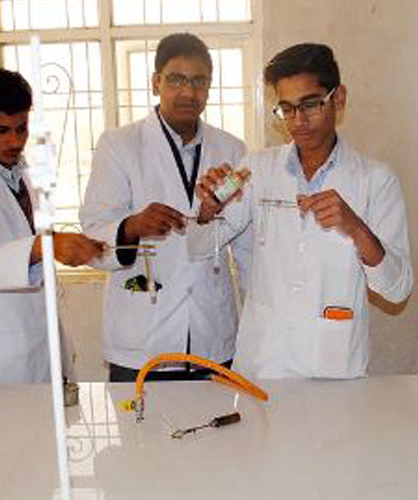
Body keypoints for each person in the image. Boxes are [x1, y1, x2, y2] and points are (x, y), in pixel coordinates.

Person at [196, 43, 413, 379]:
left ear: (338, 99)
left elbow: (397, 290)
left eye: (310, 105)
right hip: (263, 365)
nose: (298, 121)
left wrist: (356, 229)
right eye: (287, 108)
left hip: (334, 367)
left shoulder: (376, 179)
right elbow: (198, 247)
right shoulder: (258, 169)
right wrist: (208, 209)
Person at [80, 33, 249, 382]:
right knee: (139, 419)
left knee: (218, 420)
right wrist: (132, 226)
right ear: (156, 82)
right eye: (176, 80)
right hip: (142, 337)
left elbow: (243, 239)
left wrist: (210, 216)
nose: (188, 92)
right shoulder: (119, 146)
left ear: (209, 87)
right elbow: (94, 233)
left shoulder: (232, 149)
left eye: (199, 81)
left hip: (211, 334)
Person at [0, 68, 105, 384]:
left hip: (43, 345)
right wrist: (44, 246)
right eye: (1, 130)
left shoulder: (25, 177)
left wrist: (73, 246)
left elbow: (30, 246)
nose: (15, 141)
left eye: (22, 129)